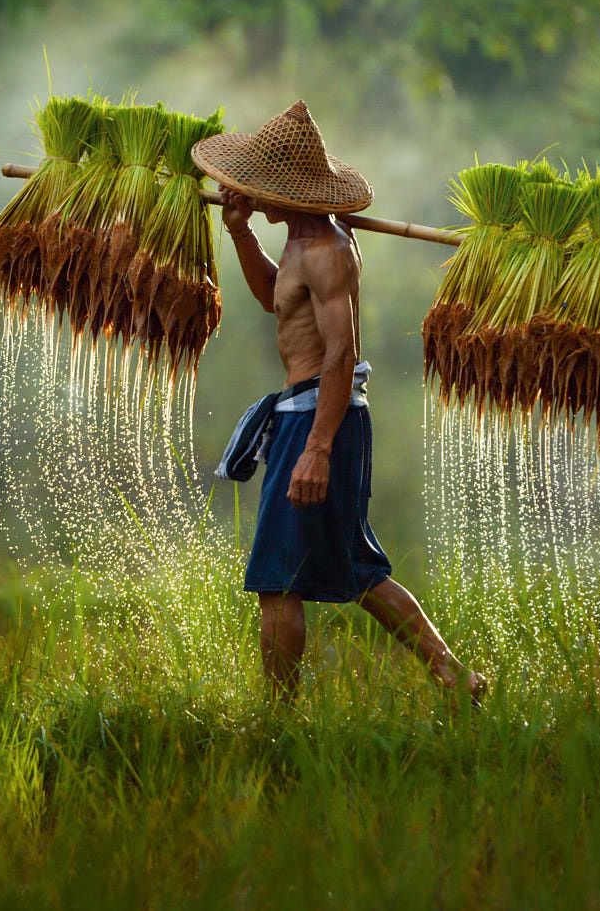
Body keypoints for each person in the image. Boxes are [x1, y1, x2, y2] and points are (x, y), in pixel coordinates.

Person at [192, 102, 485, 701]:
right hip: (314, 412)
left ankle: (277, 718)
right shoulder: (302, 242)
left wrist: (318, 449)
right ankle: (455, 678)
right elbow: (276, 298)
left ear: (291, 192)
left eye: (263, 193)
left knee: (277, 578)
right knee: (357, 567)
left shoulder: (326, 250)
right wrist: (241, 230)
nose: (256, 197)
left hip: (320, 418)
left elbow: (340, 353)